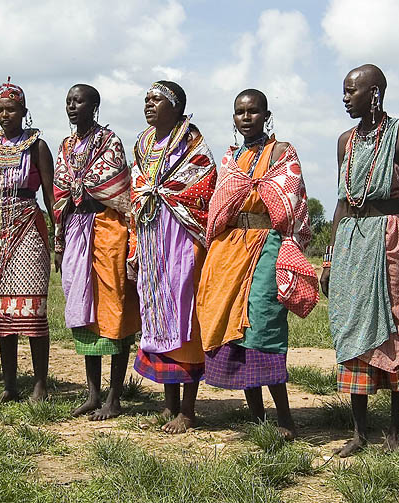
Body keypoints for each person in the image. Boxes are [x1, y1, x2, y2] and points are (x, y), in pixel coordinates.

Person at [321, 64, 399, 457]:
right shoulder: (345, 142)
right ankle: (358, 432)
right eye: (343, 91)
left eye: (351, 91)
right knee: (354, 328)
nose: (344, 98)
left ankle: (394, 432)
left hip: (394, 238)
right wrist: (329, 258)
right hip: (353, 243)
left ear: (374, 93)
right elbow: (341, 201)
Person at [197, 89, 318, 439]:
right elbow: (221, 203)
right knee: (236, 327)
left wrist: (258, 189)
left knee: (263, 325)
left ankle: (285, 420)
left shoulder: (283, 153)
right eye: (239, 112)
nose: (246, 117)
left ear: (267, 115)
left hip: (268, 246)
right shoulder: (230, 158)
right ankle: (257, 417)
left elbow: (291, 200)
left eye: (253, 111)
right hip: (230, 249)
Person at [129, 81, 217, 433]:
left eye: (157, 100)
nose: (149, 105)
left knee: (185, 315)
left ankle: (188, 410)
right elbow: (136, 191)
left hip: (183, 238)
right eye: (146, 99)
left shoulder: (193, 145)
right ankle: (168, 405)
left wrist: (163, 194)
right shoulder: (142, 144)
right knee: (158, 313)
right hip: (151, 239)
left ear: (177, 106)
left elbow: (204, 188)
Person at [53, 84, 141, 419]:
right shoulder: (66, 145)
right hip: (76, 229)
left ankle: (114, 398)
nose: (72, 106)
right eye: (68, 101)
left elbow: (115, 184)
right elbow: (62, 195)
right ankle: (92, 393)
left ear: (95, 106)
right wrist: (59, 242)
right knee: (83, 307)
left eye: (79, 101)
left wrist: (83, 183)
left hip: (107, 228)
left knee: (113, 308)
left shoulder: (110, 140)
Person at [0, 78, 55, 402]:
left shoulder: (37, 146)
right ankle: (9, 384)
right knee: (2, 310)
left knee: (32, 308)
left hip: (27, 225)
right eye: (0, 109)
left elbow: (49, 194)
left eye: (11, 109)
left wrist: (56, 237)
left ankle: (40, 384)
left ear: (24, 111)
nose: (5, 115)